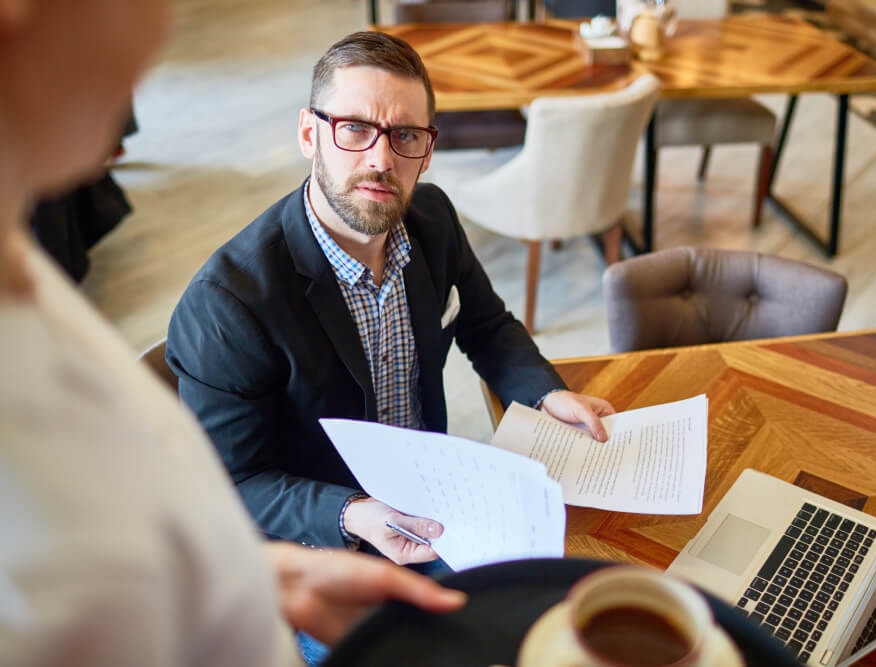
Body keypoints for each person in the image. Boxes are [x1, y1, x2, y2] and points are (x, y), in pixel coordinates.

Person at [0, 2, 466, 666]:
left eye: (405, 137)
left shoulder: (33, 282)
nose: (159, 28)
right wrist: (342, 521)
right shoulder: (228, 302)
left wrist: (254, 577)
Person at [166, 31, 616, 569]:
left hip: (439, 506)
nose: (381, 159)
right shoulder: (226, 306)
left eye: (405, 134)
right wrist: (353, 514)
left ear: (427, 150)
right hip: (320, 550)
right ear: (310, 134)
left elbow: (486, 325)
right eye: (355, 128)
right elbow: (233, 482)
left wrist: (544, 393)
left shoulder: (433, 220)